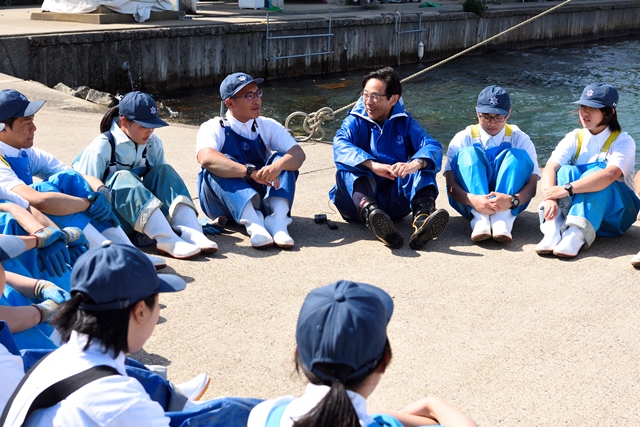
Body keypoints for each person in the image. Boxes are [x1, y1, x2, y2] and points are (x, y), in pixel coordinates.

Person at [247, 280, 477, 427]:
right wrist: (432, 404)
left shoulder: (265, 414)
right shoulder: (385, 424)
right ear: (384, 361)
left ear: (298, 353)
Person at [0, 89, 166, 269]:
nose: (34, 128)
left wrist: (101, 191)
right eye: (27, 122)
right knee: (44, 192)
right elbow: (37, 200)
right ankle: (108, 254)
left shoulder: (23, 151)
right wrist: (87, 203)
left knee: (68, 179)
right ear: (2, 128)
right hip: (12, 228)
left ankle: (127, 250)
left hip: (31, 220)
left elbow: (74, 174)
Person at [72, 91, 217, 259]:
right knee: (122, 177)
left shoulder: (153, 144)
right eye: (143, 126)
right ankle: (166, 238)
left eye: (152, 125)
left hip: (141, 220)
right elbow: (82, 193)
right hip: (111, 222)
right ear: (124, 121)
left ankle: (190, 230)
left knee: (164, 171)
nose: (150, 132)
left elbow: (162, 184)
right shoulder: (101, 147)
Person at [329, 67, 449, 250]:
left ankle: (422, 219)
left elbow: (432, 146)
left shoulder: (406, 122)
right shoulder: (354, 120)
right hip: (356, 203)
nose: (368, 102)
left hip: (394, 200)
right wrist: (371, 165)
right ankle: (373, 217)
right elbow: (340, 145)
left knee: (422, 164)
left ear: (393, 99)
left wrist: (414, 164)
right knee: (347, 170)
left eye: (375, 97)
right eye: (365, 95)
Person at [196, 72, 306, 249]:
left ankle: (277, 221)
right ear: (230, 103)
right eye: (249, 96)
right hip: (220, 205)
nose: (257, 100)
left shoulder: (267, 125)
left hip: (259, 199)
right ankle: (254, 223)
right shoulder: (213, 127)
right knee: (218, 163)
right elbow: (206, 158)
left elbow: (298, 154)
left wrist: (278, 166)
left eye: (257, 93)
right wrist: (250, 173)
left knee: (283, 158)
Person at [537, 83, 640, 258]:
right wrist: (550, 198)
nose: (585, 113)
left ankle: (575, 234)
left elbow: (610, 175)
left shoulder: (623, 141)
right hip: (572, 208)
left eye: (593, 108)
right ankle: (554, 227)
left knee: (599, 172)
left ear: (610, 112)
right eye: (582, 106)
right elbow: (550, 168)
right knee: (565, 171)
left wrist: (566, 189)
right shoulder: (574, 137)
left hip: (615, 215)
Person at [444, 85, 539, 243]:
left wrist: (512, 201)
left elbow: (532, 185)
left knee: (518, 156)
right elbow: (451, 184)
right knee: (468, 154)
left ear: (509, 113)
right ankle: (480, 219)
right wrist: (472, 200)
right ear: (477, 111)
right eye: (485, 116)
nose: (491, 123)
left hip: (511, 203)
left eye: (498, 117)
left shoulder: (521, 139)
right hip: (470, 203)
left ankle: (504, 219)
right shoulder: (462, 137)